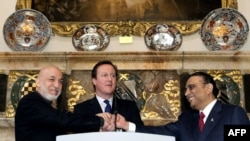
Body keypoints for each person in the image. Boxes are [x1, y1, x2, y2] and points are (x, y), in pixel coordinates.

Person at [116, 71, 250, 141]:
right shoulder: (186, 119)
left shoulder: (232, 114)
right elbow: (161, 132)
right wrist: (127, 125)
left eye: (191, 88)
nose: (186, 93)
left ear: (208, 88)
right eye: (185, 89)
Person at [15, 65, 114, 141]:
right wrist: (99, 121)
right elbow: (63, 119)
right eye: (51, 79)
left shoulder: (46, 106)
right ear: (38, 82)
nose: (57, 85)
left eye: (60, 81)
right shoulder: (29, 103)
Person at [74, 60, 144, 131]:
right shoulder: (81, 110)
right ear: (94, 81)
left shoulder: (130, 107)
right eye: (105, 75)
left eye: (113, 75)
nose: (110, 79)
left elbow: (141, 133)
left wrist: (125, 125)